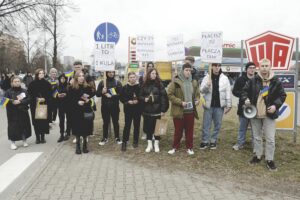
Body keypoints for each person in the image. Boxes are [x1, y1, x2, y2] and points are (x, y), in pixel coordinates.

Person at [241, 58, 286, 171]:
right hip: (255, 114)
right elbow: (244, 91)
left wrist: (275, 106)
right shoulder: (253, 80)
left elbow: (282, 95)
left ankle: (269, 159)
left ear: (270, 67)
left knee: (270, 139)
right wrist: (245, 99)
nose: (264, 68)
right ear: (259, 67)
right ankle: (258, 156)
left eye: (267, 66)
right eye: (262, 66)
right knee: (256, 137)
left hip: (269, 115)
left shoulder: (276, 81)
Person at [167, 63, 200, 155]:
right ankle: (175, 147)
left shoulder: (193, 82)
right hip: (179, 111)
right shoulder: (176, 82)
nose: (188, 72)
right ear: (182, 71)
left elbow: (197, 93)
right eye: (186, 70)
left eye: (190, 70)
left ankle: (189, 147)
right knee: (178, 131)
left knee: (190, 131)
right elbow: (169, 94)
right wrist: (180, 102)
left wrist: (197, 100)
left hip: (190, 111)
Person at [200, 63, 232, 150]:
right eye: (215, 65)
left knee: (217, 124)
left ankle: (213, 140)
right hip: (208, 105)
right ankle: (205, 141)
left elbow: (228, 92)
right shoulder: (207, 77)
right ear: (212, 66)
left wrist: (229, 105)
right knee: (206, 124)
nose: (217, 67)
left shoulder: (225, 78)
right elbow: (201, 91)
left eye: (218, 66)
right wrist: (207, 85)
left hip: (219, 106)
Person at [139, 68, 169, 153]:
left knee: (158, 128)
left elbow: (164, 97)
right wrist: (144, 99)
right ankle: (149, 144)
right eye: (152, 73)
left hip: (157, 110)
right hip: (147, 111)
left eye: (155, 73)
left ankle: (156, 144)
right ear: (149, 74)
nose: (154, 75)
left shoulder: (159, 84)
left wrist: (163, 109)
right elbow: (140, 96)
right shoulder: (144, 84)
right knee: (148, 128)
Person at [68, 70, 95, 154]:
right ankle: (78, 146)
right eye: (79, 76)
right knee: (77, 130)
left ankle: (85, 146)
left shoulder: (87, 87)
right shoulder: (71, 88)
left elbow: (91, 98)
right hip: (76, 111)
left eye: (83, 76)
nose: (81, 77)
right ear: (76, 77)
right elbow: (69, 100)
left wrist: (88, 101)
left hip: (86, 110)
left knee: (86, 129)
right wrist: (77, 102)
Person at [232, 62, 256, 150]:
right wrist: (243, 97)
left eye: (254, 67)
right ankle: (240, 143)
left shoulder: (258, 79)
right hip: (243, 107)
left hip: (256, 108)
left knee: (255, 128)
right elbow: (234, 91)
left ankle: (255, 145)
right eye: (250, 67)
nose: (252, 69)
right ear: (246, 69)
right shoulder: (240, 79)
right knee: (242, 127)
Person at [5, 76, 31, 150]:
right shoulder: (8, 91)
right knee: (13, 128)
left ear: (20, 82)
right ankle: (12, 143)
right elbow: (3, 100)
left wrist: (21, 101)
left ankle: (24, 140)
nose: (17, 83)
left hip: (22, 112)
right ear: (12, 83)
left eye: (18, 81)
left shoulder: (24, 91)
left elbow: (29, 99)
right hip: (12, 113)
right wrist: (12, 101)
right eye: (15, 81)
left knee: (23, 126)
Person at [96, 71, 123, 145]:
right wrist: (102, 91)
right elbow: (97, 94)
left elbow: (121, 95)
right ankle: (105, 138)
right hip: (105, 106)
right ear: (106, 73)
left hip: (115, 106)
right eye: (109, 72)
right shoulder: (102, 83)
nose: (111, 73)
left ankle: (117, 137)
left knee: (115, 122)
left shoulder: (117, 83)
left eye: (112, 72)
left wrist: (112, 96)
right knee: (105, 123)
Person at [28, 68, 52, 144]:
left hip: (43, 105)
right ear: (37, 74)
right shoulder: (32, 84)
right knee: (36, 122)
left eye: (43, 73)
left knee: (43, 122)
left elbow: (50, 94)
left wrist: (45, 98)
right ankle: (37, 138)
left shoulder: (47, 84)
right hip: (35, 106)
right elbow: (29, 95)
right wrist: (36, 99)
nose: (42, 74)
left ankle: (42, 137)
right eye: (40, 73)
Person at [120, 72, 142, 151]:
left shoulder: (139, 87)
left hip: (137, 110)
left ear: (136, 78)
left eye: (134, 77)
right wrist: (127, 102)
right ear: (128, 78)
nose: (132, 78)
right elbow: (121, 98)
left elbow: (141, 97)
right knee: (127, 126)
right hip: (128, 110)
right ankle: (124, 142)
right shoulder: (125, 87)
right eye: (131, 77)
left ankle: (135, 141)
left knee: (136, 126)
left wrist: (138, 101)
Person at [138, 62, 154, 140]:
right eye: (149, 66)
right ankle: (145, 132)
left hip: (153, 101)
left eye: (151, 66)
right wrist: (144, 80)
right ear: (146, 67)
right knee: (146, 117)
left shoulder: (155, 76)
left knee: (154, 118)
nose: (150, 68)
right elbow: (140, 89)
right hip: (145, 101)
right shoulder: (142, 77)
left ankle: (153, 133)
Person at [56, 73, 70, 142]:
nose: (62, 79)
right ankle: (61, 134)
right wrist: (57, 95)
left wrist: (66, 94)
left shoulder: (68, 86)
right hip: (60, 105)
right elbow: (53, 94)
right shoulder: (57, 86)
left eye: (64, 78)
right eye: (61, 78)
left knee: (68, 119)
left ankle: (67, 133)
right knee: (61, 121)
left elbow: (71, 95)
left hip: (67, 105)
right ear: (59, 79)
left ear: (66, 79)